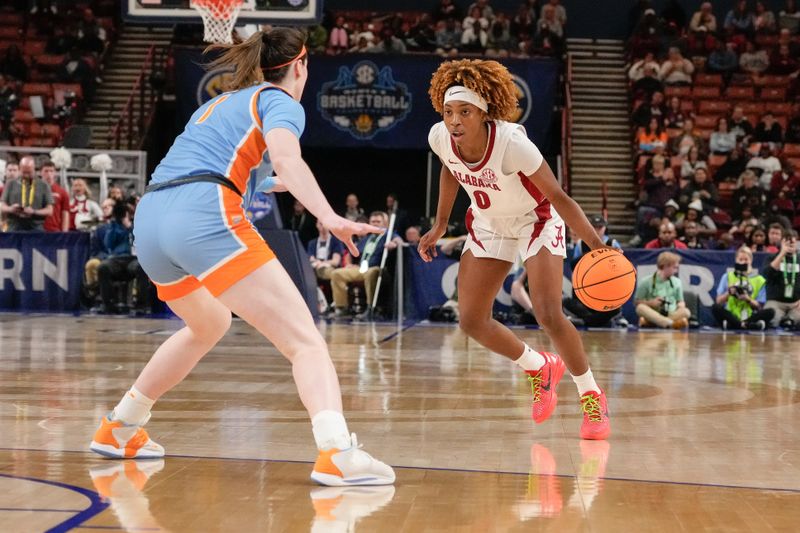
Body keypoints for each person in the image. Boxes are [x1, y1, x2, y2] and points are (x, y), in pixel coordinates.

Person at [88, 28, 394, 487]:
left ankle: (121, 426)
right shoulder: (280, 101)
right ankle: (337, 451)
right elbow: (287, 161)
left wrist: (269, 182)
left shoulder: (215, 104)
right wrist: (329, 216)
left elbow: (225, 165)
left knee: (209, 324)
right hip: (202, 215)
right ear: (301, 67)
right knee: (305, 341)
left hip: (151, 219)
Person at [419, 59, 611, 440]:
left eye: (465, 112)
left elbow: (557, 195)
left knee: (548, 312)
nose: (455, 121)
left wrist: (596, 247)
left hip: (534, 220)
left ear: (484, 111)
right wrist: (440, 223)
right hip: (490, 224)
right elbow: (448, 167)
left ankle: (592, 397)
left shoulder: (512, 144)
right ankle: (539, 366)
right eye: (449, 112)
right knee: (471, 319)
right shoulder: (440, 136)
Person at [712, 246, 775, 330]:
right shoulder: (727, 276)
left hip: (750, 314)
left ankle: (736, 325)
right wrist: (728, 293)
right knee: (715, 307)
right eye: (740, 260)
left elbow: (760, 306)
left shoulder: (759, 280)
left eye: (746, 260)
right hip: (731, 313)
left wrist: (748, 299)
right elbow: (718, 301)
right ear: (736, 261)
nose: (743, 263)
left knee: (771, 311)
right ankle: (747, 325)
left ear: (751, 261)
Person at [634, 251, 691, 329]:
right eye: (674, 268)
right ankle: (671, 324)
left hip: (671, 313)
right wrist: (651, 303)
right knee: (640, 308)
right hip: (653, 312)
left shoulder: (677, 282)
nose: (676, 271)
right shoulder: (645, 281)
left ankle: (655, 323)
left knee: (686, 312)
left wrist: (681, 305)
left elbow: (680, 301)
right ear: (664, 266)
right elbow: (637, 302)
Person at [0, 156, 53, 231]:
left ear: (34, 169)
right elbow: (2, 206)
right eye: (24, 172)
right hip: (14, 226)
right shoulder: (10, 184)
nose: (26, 175)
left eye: (29, 172)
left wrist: (34, 211)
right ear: (19, 169)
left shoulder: (43, 185)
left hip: (35, 227)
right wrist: (11, 209)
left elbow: (50, 210)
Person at [762, 229, 800, 329]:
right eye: (787, 242)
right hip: (776, 302)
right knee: (771, 318)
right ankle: (784, 320)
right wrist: (782, 253)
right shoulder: (772, 258)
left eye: (793, 242)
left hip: (795, 304)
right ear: (781, 242)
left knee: (794, 319)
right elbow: (767, 275)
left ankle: (790, 320)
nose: (790, 244)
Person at [40, 160, 70, 232]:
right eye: (46, 171)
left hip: (54, 229)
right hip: (38, 229)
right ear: (41, 173)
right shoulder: (34, 190)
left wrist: (64, 232)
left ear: (55, 173)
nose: (49, 174)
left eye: (51, 171)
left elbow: (65, 213)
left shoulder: (62, 192)